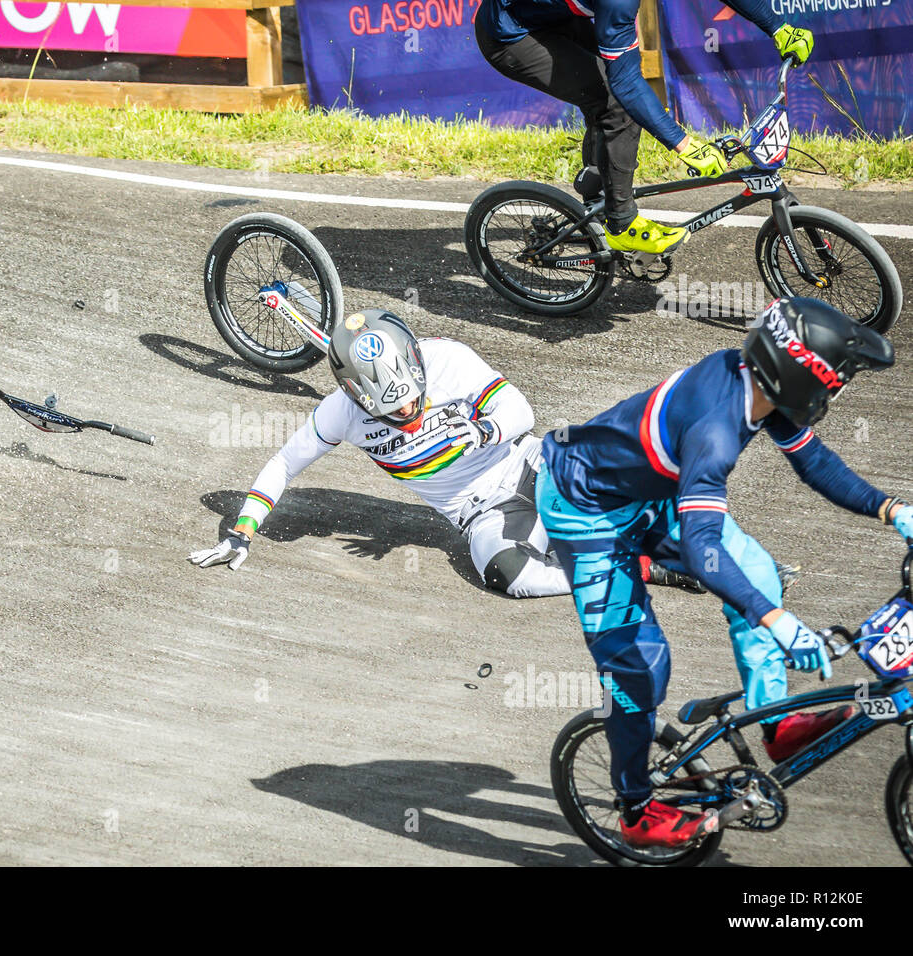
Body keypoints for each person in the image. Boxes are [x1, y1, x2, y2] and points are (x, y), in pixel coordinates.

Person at [535, 297, 907, 849]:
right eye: (837, 380)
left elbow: (815, 464)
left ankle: (775, 725)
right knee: (639, 669)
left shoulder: (754, 382)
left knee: (755, 571)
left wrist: (892, 509)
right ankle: (635, 806)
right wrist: (777, 620)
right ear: (801, 376)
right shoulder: (714, 431)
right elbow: (706, 550)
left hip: (648, 493)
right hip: (585, 513)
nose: (839, 390)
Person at [189, 308, 699, 597]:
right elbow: (282, 463)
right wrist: (241, 532)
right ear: (355, 395)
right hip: (479, 512)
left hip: (525, 462)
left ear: (416, 362)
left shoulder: (448, 357)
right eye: (393, 412)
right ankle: (639, 567)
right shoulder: (338, 412)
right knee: (506, 576)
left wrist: (481, 432)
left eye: (415, 397)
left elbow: (520, 411)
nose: (408, 411)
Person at [474, 0, 815, 254]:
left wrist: (777, 26)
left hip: (552, 14)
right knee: (615, 103)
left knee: (605, 93)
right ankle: (621, 223)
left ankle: (597, 185)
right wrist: (684, 144)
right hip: (511, 36)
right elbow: (627, 85)